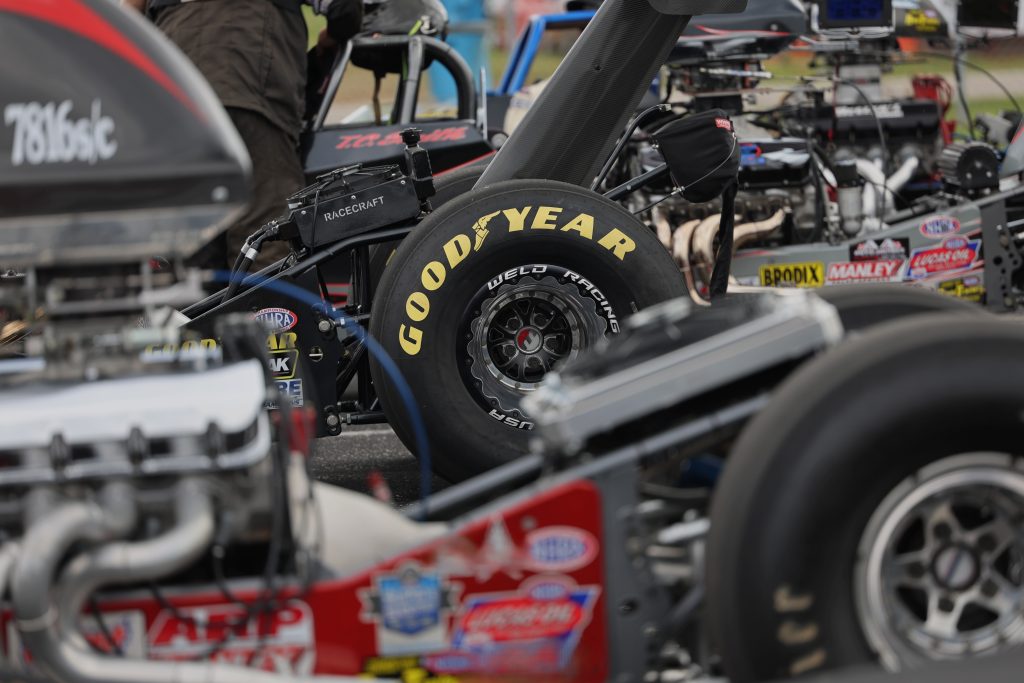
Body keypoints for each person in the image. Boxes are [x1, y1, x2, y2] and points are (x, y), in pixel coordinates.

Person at [126, 0, 363, 269]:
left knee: (190, 258)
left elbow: (125, 18)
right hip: (247, 76)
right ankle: (265, 308)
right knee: (264, 240)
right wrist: (330, 39)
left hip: (174, 95)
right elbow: (345, 10)